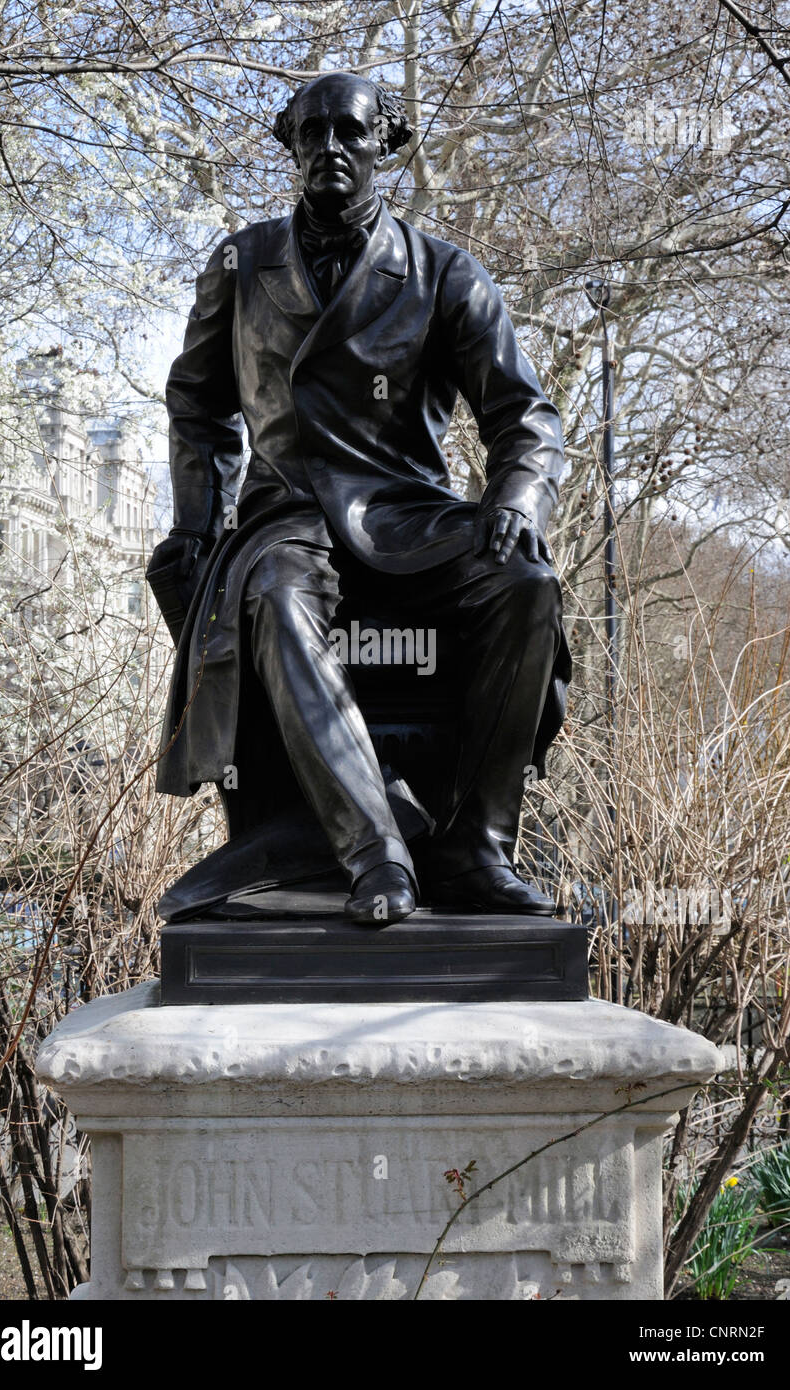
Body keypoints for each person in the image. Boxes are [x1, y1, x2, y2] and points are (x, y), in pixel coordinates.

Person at [149, 71, 571, 926]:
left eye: (350, 132)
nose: (330, 149)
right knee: (271, 593)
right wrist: (196, 523)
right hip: (288, 512)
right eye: (312, 135)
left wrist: (517, 505)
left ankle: (474, 845)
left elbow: (523, 414)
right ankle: (373, 850)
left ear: (386, 144)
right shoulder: (241, 262)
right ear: (291, 147)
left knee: (526, 586)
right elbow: (195, 401)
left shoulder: (444, 271)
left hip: (410, 514)